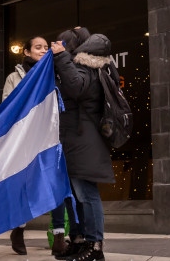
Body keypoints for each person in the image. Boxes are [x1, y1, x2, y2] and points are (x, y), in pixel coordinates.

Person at [50, 26, 115, 261]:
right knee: (77, 195)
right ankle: (83, 242)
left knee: (86, 194)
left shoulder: (88, 65)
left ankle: (95, 246)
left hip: (84, 138)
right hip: (76, 137)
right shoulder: (83, 64)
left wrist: (62, 58)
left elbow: (76, 88)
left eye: (62, 44)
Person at [2, 36, 68, 257]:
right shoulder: (15, 77)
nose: (42, 51)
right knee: (24, 186)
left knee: (55, 184)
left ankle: (59, 236)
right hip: (25, 141)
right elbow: (7, 107)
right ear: (27, 52)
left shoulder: (55, 74)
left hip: (51, 138)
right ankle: (18, 230)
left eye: (45, 47)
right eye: (37, 47)